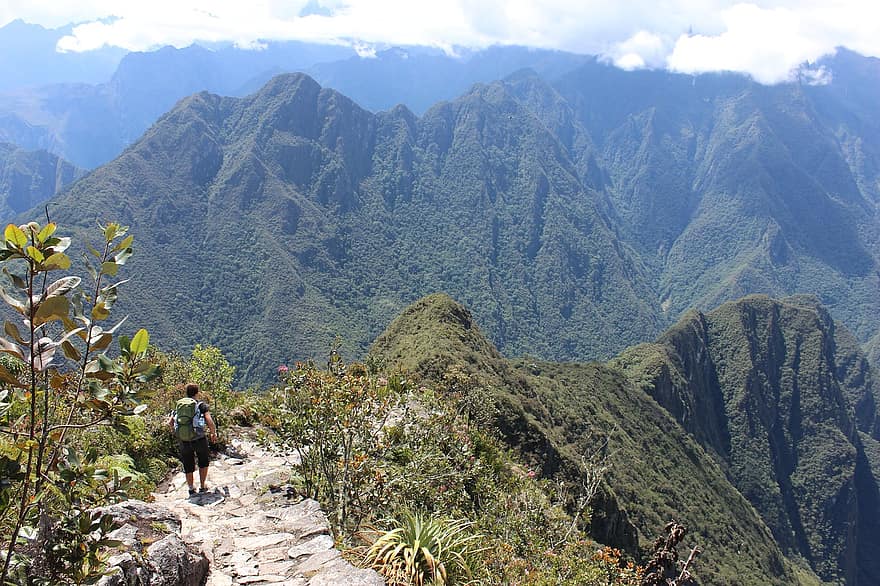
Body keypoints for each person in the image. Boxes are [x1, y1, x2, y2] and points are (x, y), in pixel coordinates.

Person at [168, 383, 218, 496]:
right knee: (203, 461)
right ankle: (202, 485)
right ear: (197, 392)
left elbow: (170, 422)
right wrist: (213, 433)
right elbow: (209, 420)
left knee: (188, 464)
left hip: (184, 440)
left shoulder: (179, 406)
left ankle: (191, 488)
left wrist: (179, 433)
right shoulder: (200, 405)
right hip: (199, 438)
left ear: (186, 392)